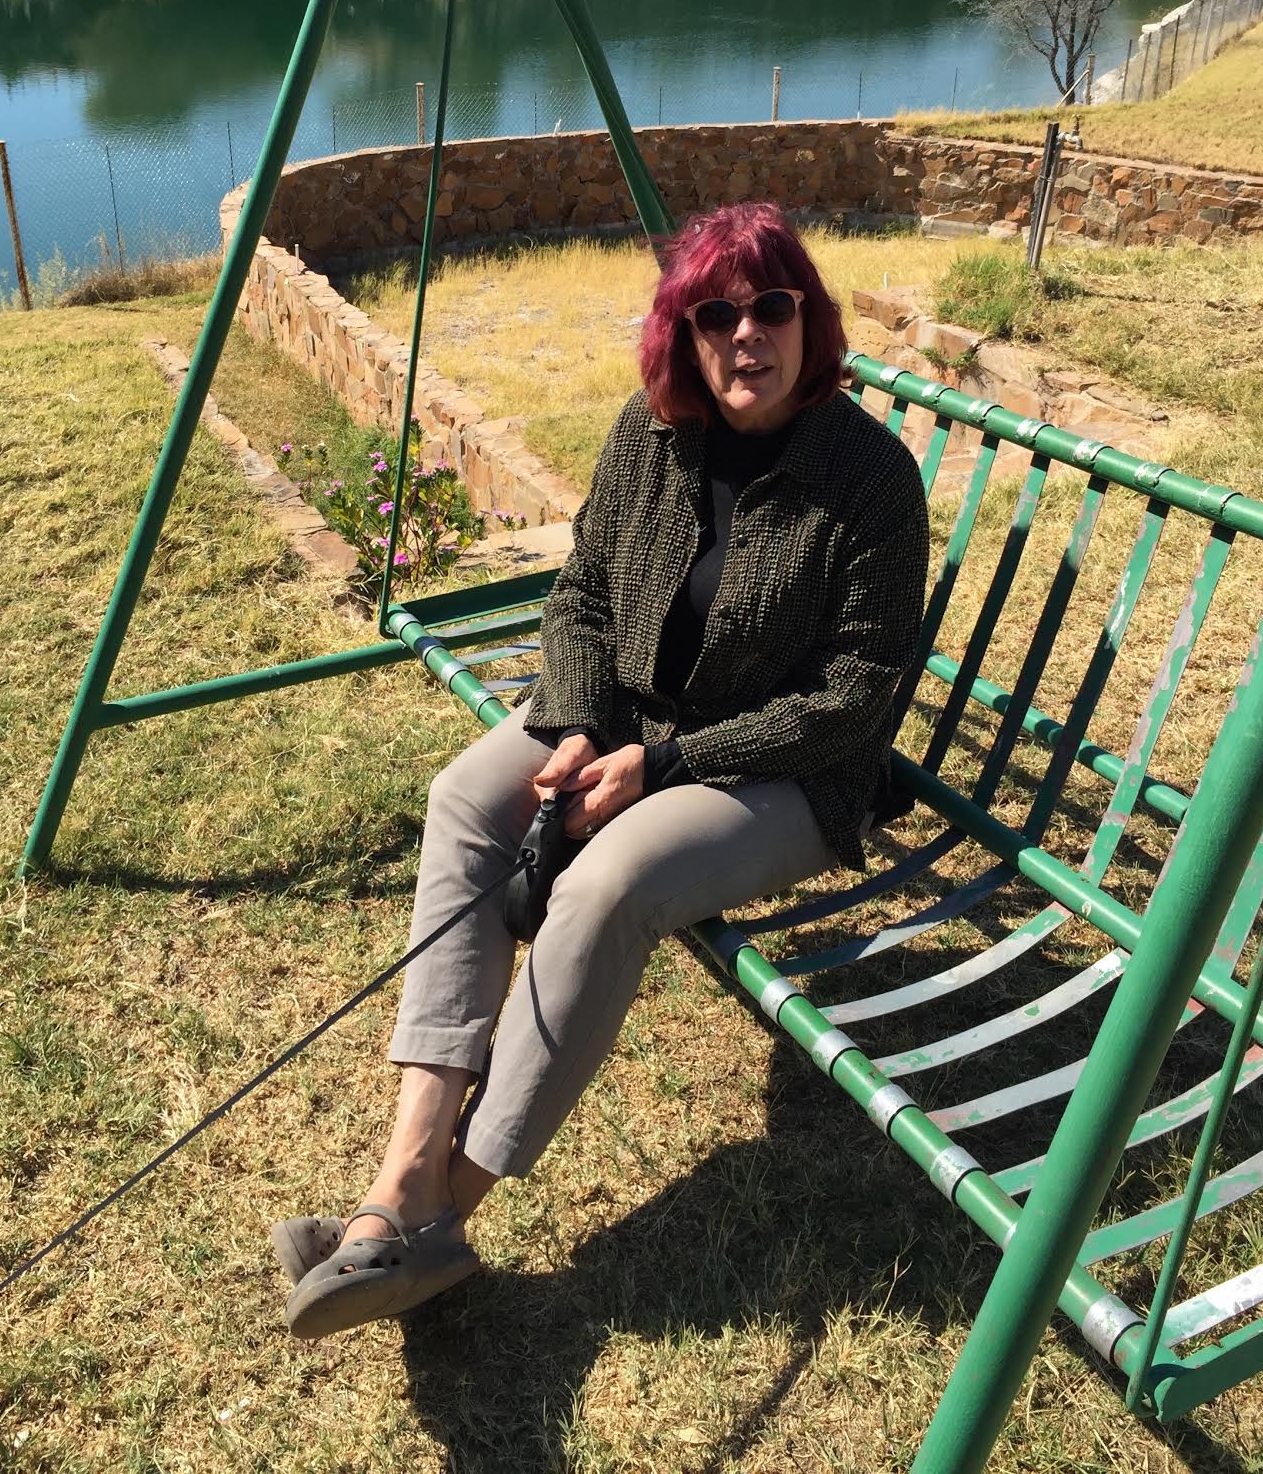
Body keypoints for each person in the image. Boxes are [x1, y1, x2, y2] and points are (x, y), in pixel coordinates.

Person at [275, 200, 930, 1339]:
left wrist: (666, 763)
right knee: (464, 800)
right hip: (628, 716)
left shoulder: (869, 477)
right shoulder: (652, 433)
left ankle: (435, 1220)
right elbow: (580, 593)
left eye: (771, 308)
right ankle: (403, 1175)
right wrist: (578, 723)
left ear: (808, 322)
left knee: (606, 884)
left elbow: (855, 697)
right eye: (715, 315)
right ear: (684, 333)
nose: (746, 335)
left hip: (787, 772)